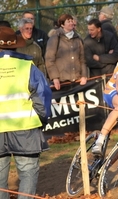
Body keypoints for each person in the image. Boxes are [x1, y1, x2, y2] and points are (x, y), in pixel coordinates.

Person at [0, 26, 51, 199]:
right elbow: (43, 97)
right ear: (15, 46)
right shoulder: (27, 67)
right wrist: (41, 120)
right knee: (28, 174)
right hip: (26, 130)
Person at [45, 14, 87, 90]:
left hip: (77, 81)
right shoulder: (55, 38)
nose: (71, 23)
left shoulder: (78, 39)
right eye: (68, 21)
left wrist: (84, 75)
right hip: (62, 82)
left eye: (72, 21)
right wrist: (55, 78)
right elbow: (49, 60)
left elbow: (82, 60)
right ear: (62, 24)